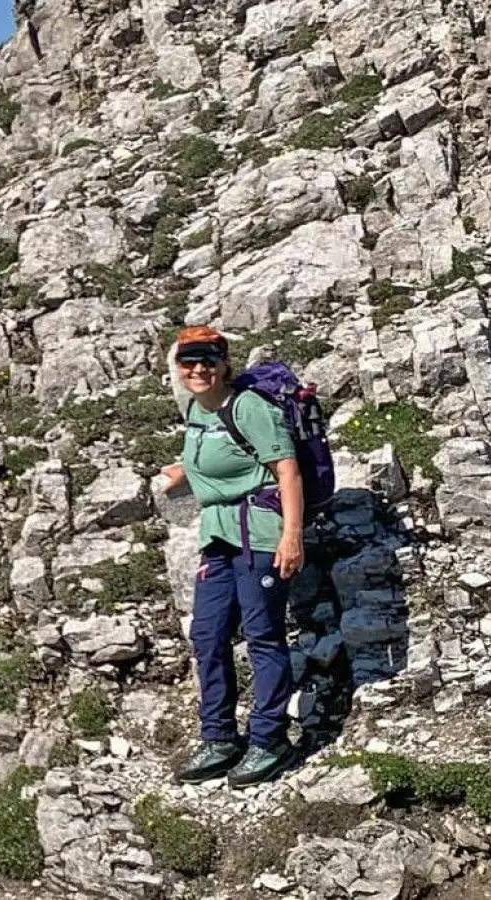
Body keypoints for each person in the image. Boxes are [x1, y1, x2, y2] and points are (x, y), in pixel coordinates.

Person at [160, 325, 305, 788]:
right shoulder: (198, 412)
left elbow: (286, 468)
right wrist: (181, 475)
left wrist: (292, 536)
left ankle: (269, 740)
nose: (198, 369)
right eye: (189, 361)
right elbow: (219, 457)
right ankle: (220, 738)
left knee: (263, 635)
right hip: (218, 537)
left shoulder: (250, 407)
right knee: (207, 635)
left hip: (261, 535)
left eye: (208, 360)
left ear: (225, 364)